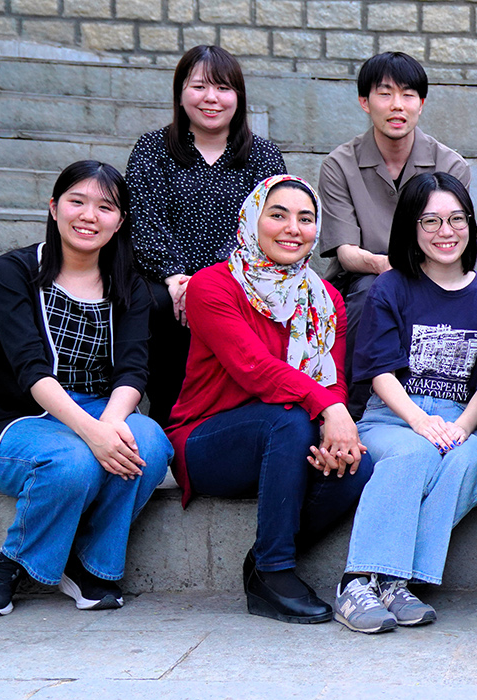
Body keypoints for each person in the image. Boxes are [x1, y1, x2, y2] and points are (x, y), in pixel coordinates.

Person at [0, 161, 173, 616]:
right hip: (21, 419)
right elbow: (29, 368)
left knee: (151, 443)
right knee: (76, 461)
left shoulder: (130, 286)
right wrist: (93, 434)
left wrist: (112, 423)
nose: (89, 216)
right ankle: (13, 561)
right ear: (54, 207)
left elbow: (133, 371)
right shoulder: (14, 270)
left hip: (101, 407)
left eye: (106, 207)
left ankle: (91, 564)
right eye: (77, 201)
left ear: (120, 221)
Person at [168, 174, 371, 625]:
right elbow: (253, 369)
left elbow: (334, 379)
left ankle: (263, 559)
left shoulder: (326, 298)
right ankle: (276, 573)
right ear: (251, 220)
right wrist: (331, 411)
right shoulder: (212, 286)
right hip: (208, 441)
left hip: (289, 435)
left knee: (360, 463)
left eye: (305, 218)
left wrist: (334, 424)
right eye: (277, 215)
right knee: (291, 421)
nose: (292, 228)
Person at [332, 173, 477, 634]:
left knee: (474, 459)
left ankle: (395, 583)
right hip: (394, 417)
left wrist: (463, 426)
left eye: (456, 219)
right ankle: (356, 581)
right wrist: (420, 422)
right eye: (431, 221)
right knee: (414, 452)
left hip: (459, 418)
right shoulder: (392, 287)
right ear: (411, 227)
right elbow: (380, 372)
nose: (446, 232)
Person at [126, 45, 287, 423]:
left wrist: (210, 284)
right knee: (158, 307)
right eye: (199, 87)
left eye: (223, 88)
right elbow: (145, 220)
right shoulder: (153, 149)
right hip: (165, 279)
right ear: (180, 95)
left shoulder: (263, 156)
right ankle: (169, 417)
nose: (211, 98)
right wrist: (176, 277)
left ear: (238, 97)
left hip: (239, 278)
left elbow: (268, 226)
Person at [316, 51, 472, 398]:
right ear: (364, 102)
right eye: (385, 93)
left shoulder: (450, 165)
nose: (396, 105)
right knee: (371, 293)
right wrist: (387, 264)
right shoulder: (339, 165)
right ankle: (352, 409)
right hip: (366, 276)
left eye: (408, 95)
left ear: (422, 103)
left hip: (436, 274)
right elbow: (345, 251)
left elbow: (452, 241)